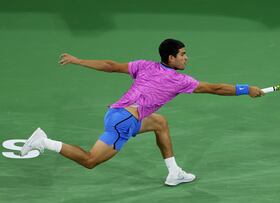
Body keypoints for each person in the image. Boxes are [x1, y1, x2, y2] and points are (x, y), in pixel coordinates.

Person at [21, 39, 264, 186]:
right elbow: (215, 88)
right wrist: (246, 89)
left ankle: (174, 173)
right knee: (90, 161)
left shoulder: (144, 65)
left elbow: (111, 66)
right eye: (182, 54)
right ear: (171, 58)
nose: (186, 58)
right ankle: (44, 142)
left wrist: (78, 60)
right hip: (123, 123)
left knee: (159, 122)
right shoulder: (180, 81)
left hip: (118, 114)